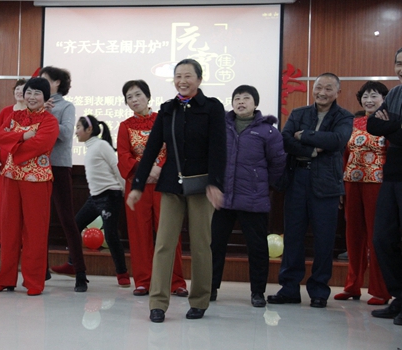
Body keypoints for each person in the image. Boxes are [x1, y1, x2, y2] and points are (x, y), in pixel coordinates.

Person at [127, 58, 226, 323]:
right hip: (172, 184)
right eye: (178, 76)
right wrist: (137, 186)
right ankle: (158, 303)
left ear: (199, 79)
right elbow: (151, 148)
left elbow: (219, 149)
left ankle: (200, 300)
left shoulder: (212, 108)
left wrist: (216, 184)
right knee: (164, 244)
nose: (182, 81)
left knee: (201, 245)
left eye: (188, 76)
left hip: (201, 186)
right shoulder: (168, 109)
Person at [267, 72, 353, 308]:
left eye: (328, 88)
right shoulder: (299, 113)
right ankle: (289, 289)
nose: (322, 93)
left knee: (324, 239)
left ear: (337, 92)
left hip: (326, 183)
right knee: (293, 236)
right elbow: (286, 140)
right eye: (318, 87)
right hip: (297, 179)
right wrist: (313, 149)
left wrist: (305, 135)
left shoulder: (344, 116)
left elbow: (337, 140)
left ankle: (319, 291)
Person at [210, 85, 285, 307]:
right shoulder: (220, 127)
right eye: (237, 98)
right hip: (223, 198)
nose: (241, 102)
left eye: (246, 98)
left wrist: (263, 184)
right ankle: (210, 288)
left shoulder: (268, 131)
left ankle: (258, 292)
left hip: (254, 198)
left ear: (256, 103)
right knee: (215, 245)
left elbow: (278, 163)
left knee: (257, 248)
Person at [117, 79, 188, 297]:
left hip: (164, 184)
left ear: (148, 97)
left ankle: (176, 281)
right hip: (138, 186)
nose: (134, 100)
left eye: (138, 94)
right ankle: (143, 281)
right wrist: (145, 171)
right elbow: (123, 156)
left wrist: (159, 168)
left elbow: (174, 149)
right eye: (129, 97)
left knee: (169, 233)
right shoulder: (125, 126)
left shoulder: (163, 119)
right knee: (139, 234)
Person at [0, 77, 59, 296]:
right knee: (9, 230)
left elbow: (41, 144)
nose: (32, 97)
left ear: (45, 97)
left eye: (37, 93)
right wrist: (23, 135)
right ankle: (5, 278)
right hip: (11, 178)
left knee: (35, 232)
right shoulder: (14, 116)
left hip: (36, 180)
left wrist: (14, 144)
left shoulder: (49, 121)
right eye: (29, 92)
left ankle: (34, 281)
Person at [334, 81, 391, 305]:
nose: (369, 100)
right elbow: (344, 155)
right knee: (353, 235)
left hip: (378, 184)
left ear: (384, 99)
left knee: (377, 237)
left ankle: (380, 290)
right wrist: (341, 185)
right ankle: (352, 286)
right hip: (351, 182)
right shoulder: (353, 122)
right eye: (365, 96)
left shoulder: (389, 122)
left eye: (374, 96)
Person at [40, 66, 88, 292]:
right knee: (39, 221)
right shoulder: (37, 105)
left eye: (45, 80)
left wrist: (45, 116)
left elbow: (67, 133)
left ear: (57, 82)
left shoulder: (66, 106)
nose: (40, 84)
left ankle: (80, 272)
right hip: (37, 167)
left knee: (67, 219)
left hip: (58, 166)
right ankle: (41, 270)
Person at [74, 115, 130, 287]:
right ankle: (72, 263)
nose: (76, 132)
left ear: (89, 129)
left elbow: (117, 167)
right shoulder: (91, 147)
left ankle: (122, 273)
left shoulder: (101, 145)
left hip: (110, 195)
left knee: (111, 235)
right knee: (75, 225)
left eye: (78, 127)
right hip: (95, 197)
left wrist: (125, 191)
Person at [368, 47, 402, 325]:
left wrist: (392, 124)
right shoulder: (394, 94)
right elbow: (373, 125)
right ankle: (399, 297)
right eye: (398, 63)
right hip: (392, 174)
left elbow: (387, 128)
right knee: (383, 238)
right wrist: (396, 126)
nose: (401, 69)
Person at [0, 79, 27, 250]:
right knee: (3, 202)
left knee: (22, 204)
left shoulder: (33, 113)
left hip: (24, 163)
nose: (19, 92)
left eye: (23, 89)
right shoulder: (6, 111)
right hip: (4, 164)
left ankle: (20, 239)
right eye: (17, 89)